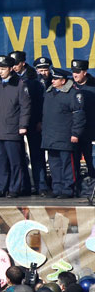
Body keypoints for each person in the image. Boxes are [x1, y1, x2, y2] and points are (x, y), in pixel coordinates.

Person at [0, 55, 31, 198]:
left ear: (11, 68)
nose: (0, 72)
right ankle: (2, 188)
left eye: (3, 69)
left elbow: (25, 106)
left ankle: (15, 188)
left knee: (15, 162)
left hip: (13, 129)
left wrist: (23, 125)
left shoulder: (20, 85)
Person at [41, 68, 86, 198]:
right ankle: (57, 188)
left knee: (67, 164)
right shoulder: (49, 93)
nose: (53, 81)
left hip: (65, 135)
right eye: (52, 79)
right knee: (54, 164)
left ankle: (68, 189)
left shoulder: (73, 94)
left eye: (55, 79)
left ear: (63, 80)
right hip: (50, 135)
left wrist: (75, 133)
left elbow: (79, 116)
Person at [10, 50, 47, 196]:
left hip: (32, 122)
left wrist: (39, 120)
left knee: (36, 155)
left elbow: (40, 102)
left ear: (23, 63)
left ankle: (41, 186)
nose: (13, 67)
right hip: (14, 124)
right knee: (19, 157)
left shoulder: (34, 79)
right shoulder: (10, 78)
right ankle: (24, 186)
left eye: (16, 64)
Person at [70, 59, 95, 179]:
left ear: (84, 72)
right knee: (73, 161)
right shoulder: (69, 86)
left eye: (78, 72)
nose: (75, 74)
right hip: (73, 131)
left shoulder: (93, 85)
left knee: (91, 161)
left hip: (90, 130)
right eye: (73, 71)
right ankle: (76, 187)